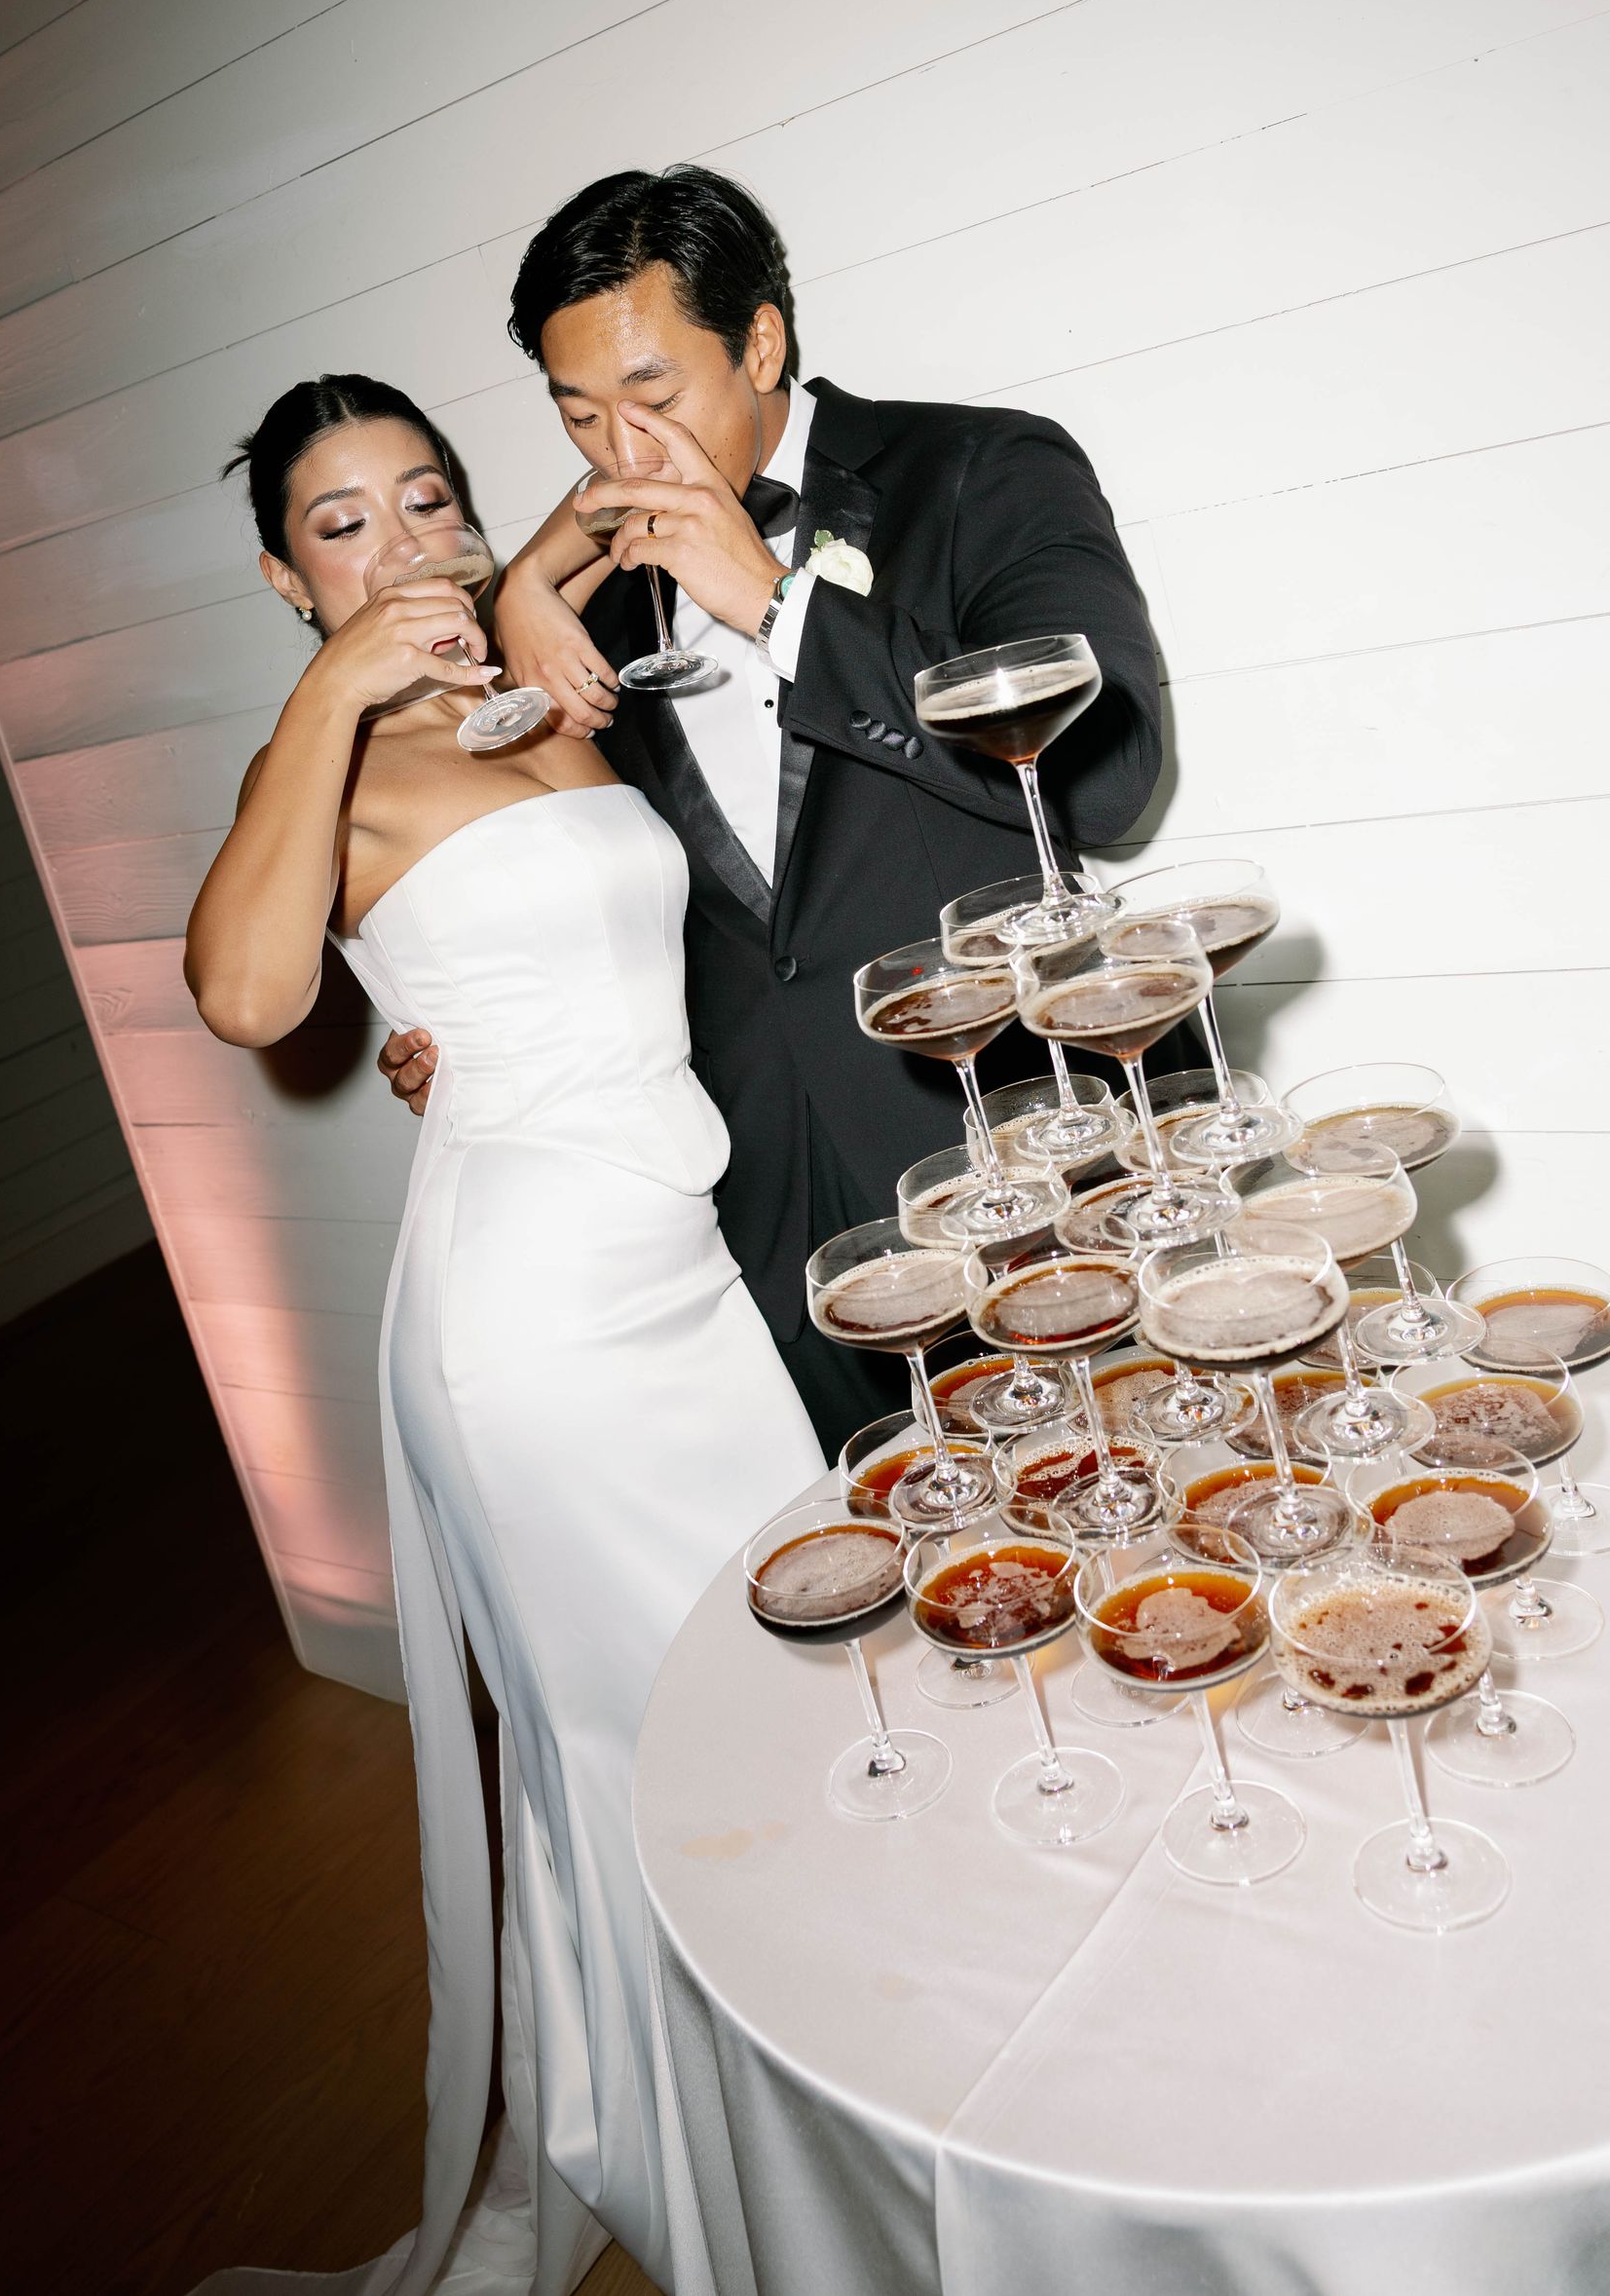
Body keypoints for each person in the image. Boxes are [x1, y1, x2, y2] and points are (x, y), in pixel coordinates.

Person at [184, 374, 822, 2296]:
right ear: (284, 579)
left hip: (685, 1279)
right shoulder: (334, 762)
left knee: (779, 1696)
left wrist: (532, 540)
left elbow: (574, 511)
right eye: (338, 523)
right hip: (528, 1330)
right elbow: (241, 990)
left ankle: (786, 2095)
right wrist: (327, 695)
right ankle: (722, 2184)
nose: (396, 545)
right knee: (642, 1744)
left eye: (423, 497)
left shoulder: (538, 686)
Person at [379, 168, 1169, 1456]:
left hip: (1027, 1164)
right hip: (777, 1231)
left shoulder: (976, 469)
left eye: (653, 396)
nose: (624, 454)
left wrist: (778, 604)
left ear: (760, 343)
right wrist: (474, 1030)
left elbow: (1109, 772)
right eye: (579, 418)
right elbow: (579, 890)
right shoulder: (587, 621)